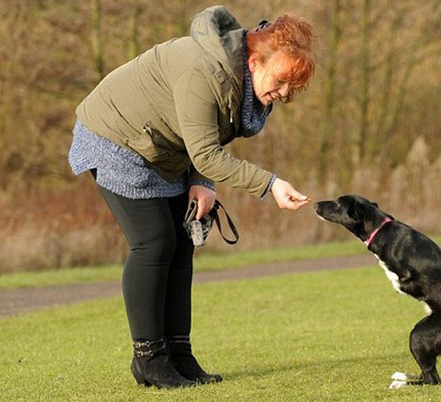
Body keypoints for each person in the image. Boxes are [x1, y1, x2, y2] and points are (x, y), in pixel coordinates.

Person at [68, 5, 315, 389]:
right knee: (154, 243)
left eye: (291, 89)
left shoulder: (242, 85)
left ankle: (179, 355)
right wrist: (270, 185)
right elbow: (206, 151)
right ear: (253, 61)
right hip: (116, 137)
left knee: (182, 242)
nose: (283, 95)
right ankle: (149, 359)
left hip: (165, 149)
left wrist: (203, 182)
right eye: (281, 82)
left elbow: (208, 137)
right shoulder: (205, 71)